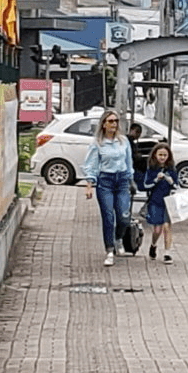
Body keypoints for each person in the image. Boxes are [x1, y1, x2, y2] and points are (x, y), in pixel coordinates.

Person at [83, 110, 134, 267]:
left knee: (123, 216)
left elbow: (128, 161)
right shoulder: (98, 143)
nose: (114, 124)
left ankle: (119, 238)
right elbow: (91, 164)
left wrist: (131, 180)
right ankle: (110, 249)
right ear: (104, 124)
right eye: (111, 121)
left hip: (122, 181)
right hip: (105, 181)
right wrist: (90, 184)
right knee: (108, 216)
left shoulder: (123, 141)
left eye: (116, 121)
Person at [141, 143, 177, 264]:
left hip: (168, 202)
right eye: (160, 154)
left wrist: (171, 181)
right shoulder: (151, 169)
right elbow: (145, 185)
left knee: (167, 226)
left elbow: (177, 185)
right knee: (157, 229)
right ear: (155, 155)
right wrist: (156, 179)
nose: (162, 157)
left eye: (165, 155)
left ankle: (167, 252)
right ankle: (153, 244)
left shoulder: (171, 169)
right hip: (155, 201)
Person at [126, 123, 147, 195]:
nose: (138, 135)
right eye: (137, 132)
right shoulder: (128, 142)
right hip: (133, 168)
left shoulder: (132, 142)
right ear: (131, 130)